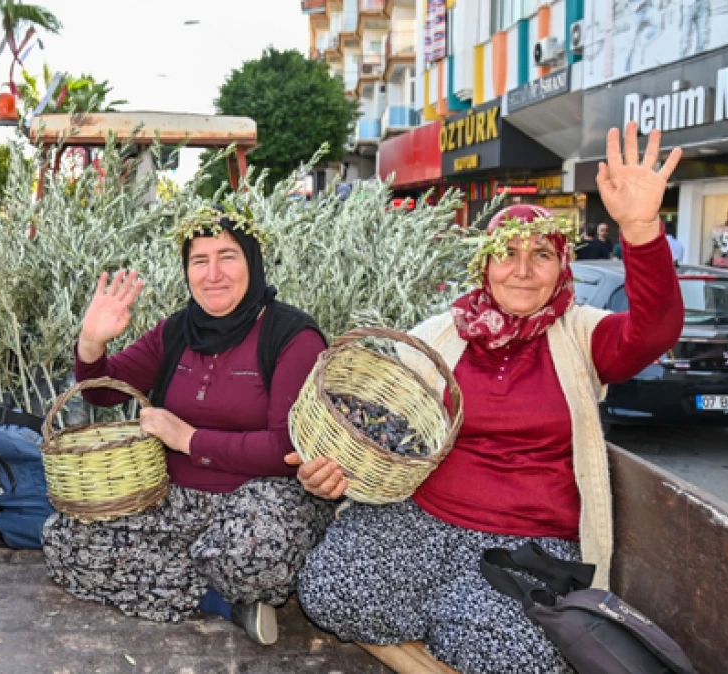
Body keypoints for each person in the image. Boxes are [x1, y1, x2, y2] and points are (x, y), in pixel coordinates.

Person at [290, 123, 685, 673]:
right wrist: (331, 470)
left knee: (504, 649)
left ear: (562, 267)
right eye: (508, 255)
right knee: (331, 590)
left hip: (530, 540)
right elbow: (387, 438)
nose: (522, 270)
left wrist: (641, 229)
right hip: (426, 518)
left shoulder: (581, 334)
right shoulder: (439, 336)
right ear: (485, 265)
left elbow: (655, 330)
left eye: (541, 256)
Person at [41, 205, 333, 645]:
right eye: (199, 260)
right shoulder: (177, 330)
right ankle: (221, 600)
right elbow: (104, 392)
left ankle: (188, 573)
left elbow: (285, 450)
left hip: (260, 501)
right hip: (174, 500)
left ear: (252, 261)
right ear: (187, 270)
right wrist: (91, 343)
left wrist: (187, 438)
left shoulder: (292, 336)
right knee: (64, 542)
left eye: (227, 256)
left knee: (254, 551)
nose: (213, 273)